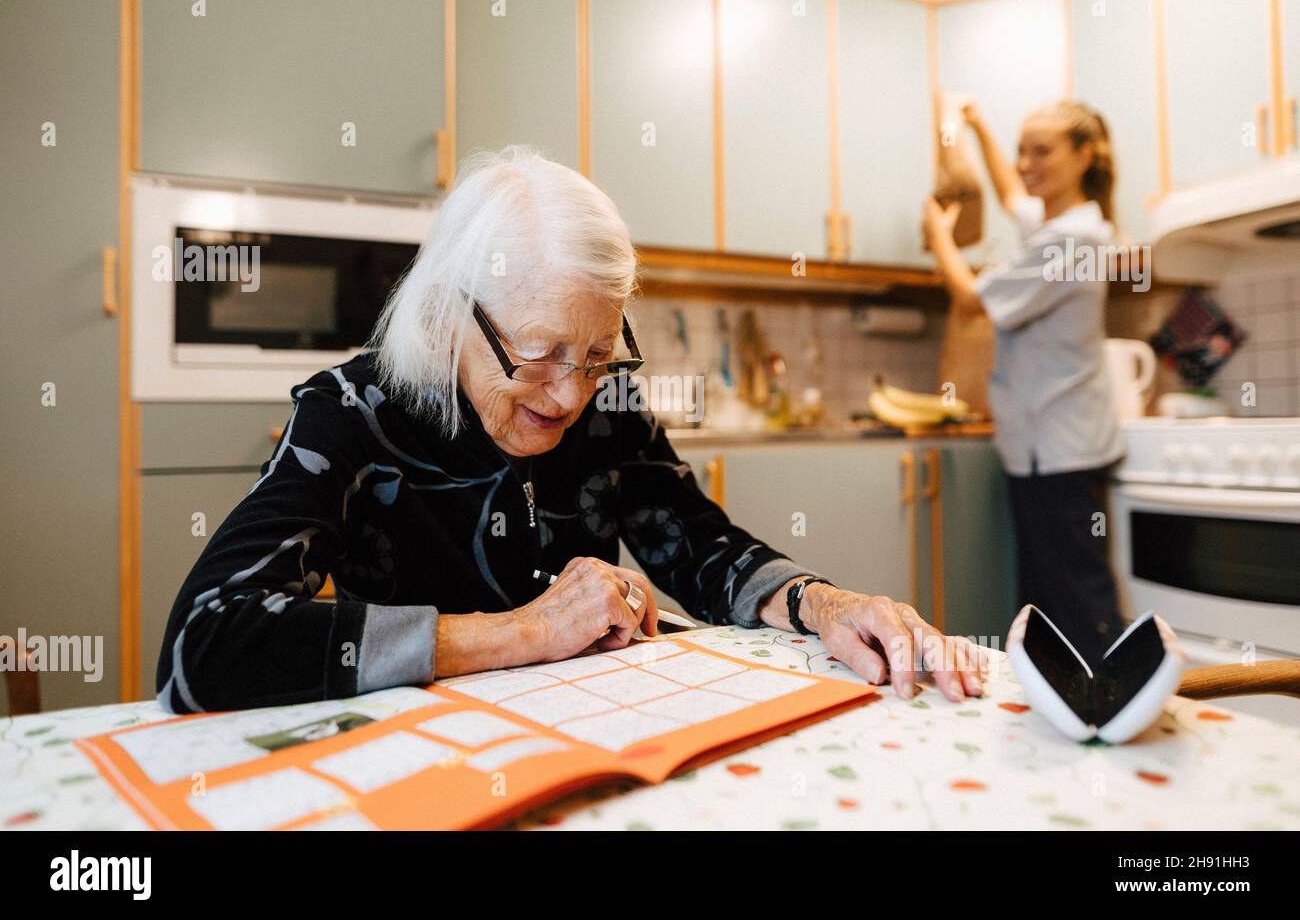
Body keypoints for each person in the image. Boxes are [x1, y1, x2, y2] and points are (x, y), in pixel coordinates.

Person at [157, 145, 986, 714]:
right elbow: (206, 642)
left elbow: (696, 546)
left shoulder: (604, 402)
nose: (567, 396)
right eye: (541, 355)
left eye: (597, 355)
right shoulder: (351, 412)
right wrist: (527, 632)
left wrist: (823, 602)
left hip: (594, 742)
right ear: (449, 320)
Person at [923, 100, 1126, 663]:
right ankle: (1063, 710)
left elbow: (970, 301)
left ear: (1084, 156)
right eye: (1021, 149)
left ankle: (1108, 701)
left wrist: (938, 231)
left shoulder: (1071, 241)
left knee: (1078, 604)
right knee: (1048, 602)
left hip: (1057, 448)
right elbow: (1012, 193)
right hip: (1049, 447)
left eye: (1043, 151)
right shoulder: (1063, 224)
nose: (1027, 163)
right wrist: (978, 123)